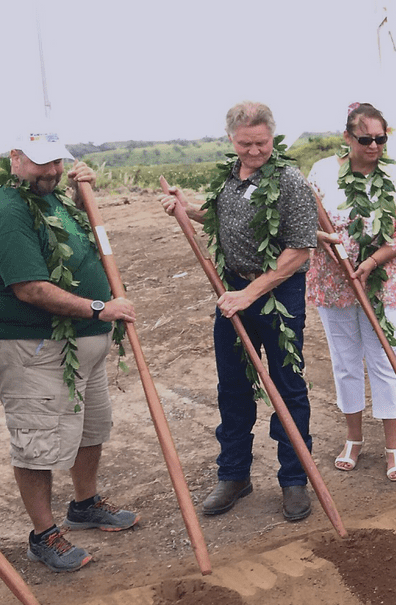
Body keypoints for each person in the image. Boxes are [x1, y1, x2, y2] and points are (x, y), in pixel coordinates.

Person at [161, 101, 318, 522]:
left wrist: (250, 294)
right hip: (233, 290)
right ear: (231, 139)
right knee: (232, 386)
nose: (254, 151)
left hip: (278, 294)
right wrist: (185, 209)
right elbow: (220, 220)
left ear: (272, 136)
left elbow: (299, 249)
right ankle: (233, 475)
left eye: (261, 143)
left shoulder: (289, 181)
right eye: (245, 143)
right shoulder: (230, 177)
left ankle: (294, 479)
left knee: (287, 386)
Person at [1, 130, 139, 572]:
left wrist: (82, 200)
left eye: (57, 161)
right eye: (41, 162)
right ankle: (43, 536)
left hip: (84, 345)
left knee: (90, 428)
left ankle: (85, 504)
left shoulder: (53, 198)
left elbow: (81, 247)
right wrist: (100, 308)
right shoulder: (9, 209)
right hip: (37, 348)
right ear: (15, 158)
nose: (53, 170)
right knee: (36, 441)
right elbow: (31, 288)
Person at [306, 103, 396, 480]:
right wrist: (322, 240)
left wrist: (371, 262)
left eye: (380, 139)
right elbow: (305, 220)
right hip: (333, 280)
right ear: (347, 137)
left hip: (382, 280)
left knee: (385, 358)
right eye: (365, 139)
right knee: (345, 360)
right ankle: (353, 438)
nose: (373, 146)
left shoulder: (395, 174)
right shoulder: (323, 171)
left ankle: (393, 445)